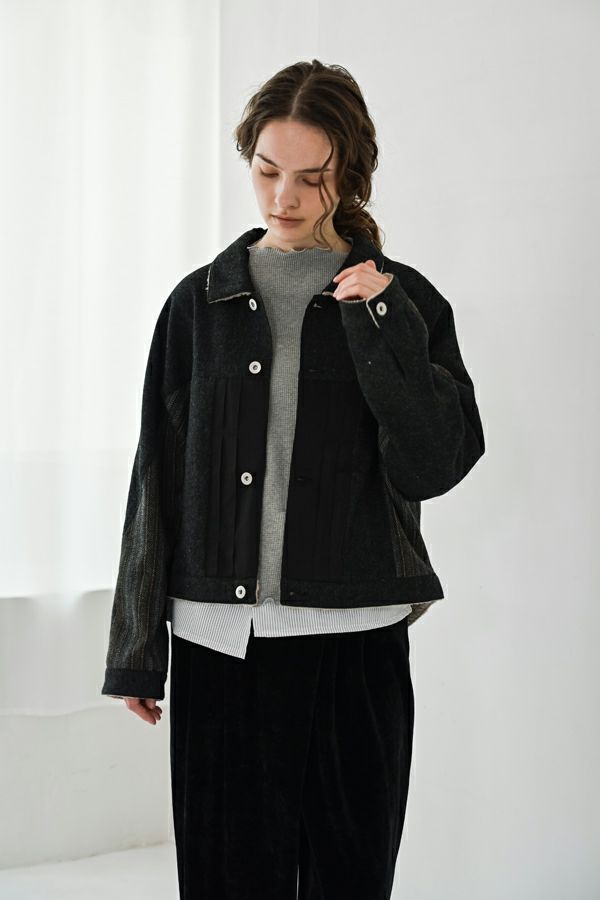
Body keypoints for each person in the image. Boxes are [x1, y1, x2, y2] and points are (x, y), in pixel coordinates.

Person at [101, 59, 485, 900]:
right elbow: (155, 474)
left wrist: (379, 320)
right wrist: (135, 649)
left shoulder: (402, 300)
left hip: (355, 644)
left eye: (312, 178)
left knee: (351, 881)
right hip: (219, 644)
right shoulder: (198, 305)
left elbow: (436, 463)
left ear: (351, 174)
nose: (284, 197)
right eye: (268, 170)